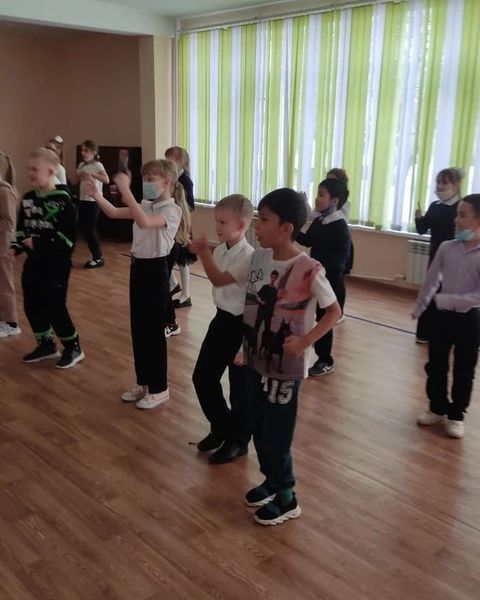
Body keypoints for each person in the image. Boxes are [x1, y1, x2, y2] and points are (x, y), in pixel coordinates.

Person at [195, 188, 341, 525]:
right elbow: (222, 281)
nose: (257, 226)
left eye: (264, 219)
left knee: (276, 432)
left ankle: (287, 497)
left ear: (286, 228)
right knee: (259, 427)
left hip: (284, 369)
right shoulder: (258, 258)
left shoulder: (308, 268)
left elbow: (334, 311)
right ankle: (273, 481)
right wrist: (204, 253)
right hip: (255, 361)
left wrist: (305, 341)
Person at [87, 160, 181, 410]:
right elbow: (114, 212)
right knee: (139, 329)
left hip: (155, 271)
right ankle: (145, 383)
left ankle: (160, 388)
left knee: (153, 331)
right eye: (144, 178)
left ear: (167, 182)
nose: (146, 183)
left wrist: (126, 189)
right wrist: (96, 194)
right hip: (138, 267)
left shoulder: (172, 210)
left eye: (151, 179)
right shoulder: (145, 205)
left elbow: (145, 222)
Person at [190, 195, 254, 464]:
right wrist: (205, 253)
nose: (217, 227)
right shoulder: (219, 252)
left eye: (223, 222)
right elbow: (218, 286)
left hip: (242, 326)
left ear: (241, 225)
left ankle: (238, 441)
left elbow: (220, 281)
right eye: (216, 221)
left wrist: (203, 253)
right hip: (221, 321)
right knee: (202, 377)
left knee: (239, 390)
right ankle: (221, 428)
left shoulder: (249, 257)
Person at [413, 194, 480, 439]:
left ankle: (456, 415)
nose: (456, 220)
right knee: (436, 365)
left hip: (469, 320)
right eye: (457, 214)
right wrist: (421, 305)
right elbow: (432, 280)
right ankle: (437, 407)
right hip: (441, 318)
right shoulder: (447, 248)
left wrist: (445, 300)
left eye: (462, 215)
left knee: (464, 369)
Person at [13, 148, 83, 368]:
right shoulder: (28, 198)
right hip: (34, 263)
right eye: (28, 169)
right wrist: (15, 247)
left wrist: (39, 243)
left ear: (51, 171)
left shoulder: (63, 201)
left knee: (54, 305)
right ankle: (46, 344)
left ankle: (73, 347)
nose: (30, 173)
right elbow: (21, 229)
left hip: (56, 264)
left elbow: (68, 238)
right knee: (31, 303)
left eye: (35, 169)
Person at [297, 178, 351, 376]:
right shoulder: (320, 221)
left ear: (334, 201)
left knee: (324, 320)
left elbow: (339, 261)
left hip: (331, 283)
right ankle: (308, 347)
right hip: (317, 279)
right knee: (310, 315)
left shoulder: (340, 227)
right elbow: (307, 240)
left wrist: (316, 270)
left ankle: (326, 360)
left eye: (321, 195)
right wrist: (291, 228)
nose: (316, 198)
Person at [414, 167, 464, 343]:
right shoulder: (435, 206)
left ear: (456, 185)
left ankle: (448, 335)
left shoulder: (461, 208)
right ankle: (425, 333)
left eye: (445, 182)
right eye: (438, 182)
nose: (440, 186)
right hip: (435, 257)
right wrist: (418, 217)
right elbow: (422, 229)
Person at [165, 146, 195, 308]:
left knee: (183, 261)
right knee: (166, 254)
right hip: (170, 223)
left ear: (180, 161)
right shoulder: (171, 178)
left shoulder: (185, 181)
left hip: (181, 225)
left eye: (169, 159)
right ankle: (173, 284)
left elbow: (191, 205)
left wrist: (177, 209)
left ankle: (186, 295)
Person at [75, 140, 109, 269]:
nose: (83, 153)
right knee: (85, 229)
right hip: (83, 199)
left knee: (90, 229)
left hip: (94, 201)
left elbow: (106, 179)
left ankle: (98, 257)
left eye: (86, 150)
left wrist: (92, 174)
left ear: (93, 152)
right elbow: (75, 181)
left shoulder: (98, 165)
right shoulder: (81, 164)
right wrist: (79, 175)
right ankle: (96, 256)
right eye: (82, 150)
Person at [0, 152, 21, 338]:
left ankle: (11, 323)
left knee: (5, 283)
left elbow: (8, 222)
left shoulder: (4, 191)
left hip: (3, 244)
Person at [326, 168, 353, 276]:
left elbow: (342, 221)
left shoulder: (345, 203)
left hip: (339, 245)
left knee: (336, 276)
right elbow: (312, 216)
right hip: (327, 244)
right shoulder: (325, 200)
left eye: (333, 181)